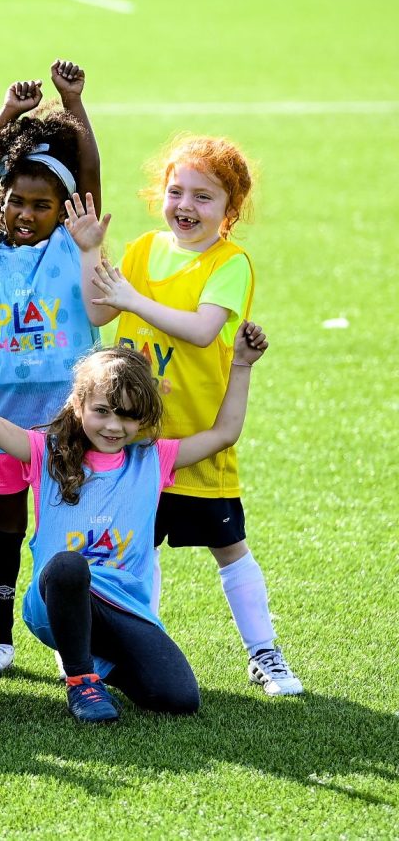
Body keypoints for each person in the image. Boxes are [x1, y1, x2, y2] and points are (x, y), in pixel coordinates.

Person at [0, 303, 270, 720]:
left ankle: (96, 663)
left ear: (143, 418)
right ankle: (80, 680)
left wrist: (242, 364)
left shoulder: (153, 460)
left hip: (122, 607)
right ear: (79, 405)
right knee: (69, 566)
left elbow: (224, 433)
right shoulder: (45, 453)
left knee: (178, 698)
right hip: (54, 601)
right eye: (102, 411)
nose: (113, 426)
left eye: (128, 416)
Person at [86, 135, 301, 696]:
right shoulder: (141, 250)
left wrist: (134, 301)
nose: (185, 206)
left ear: (231, 210)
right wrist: (90, 252)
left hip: (197, 440)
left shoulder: (229, 263)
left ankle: (265, 652)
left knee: (228, 547)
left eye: (204, 197)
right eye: (176, 191)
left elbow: (204, 331)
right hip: (132, 443)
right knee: (134, 550)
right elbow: (97, 311)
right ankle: (142, 653)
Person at [0, 63, 103, 678]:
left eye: (41, 205)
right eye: (16, 200)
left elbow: (90, 176)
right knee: (5, 528)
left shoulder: (73, 241)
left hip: (67, 420)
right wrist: (7, 114)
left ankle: (74, 639)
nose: (25, 213)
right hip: (0, 420)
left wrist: (73, 103)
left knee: (65, 534)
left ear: (64, 210)